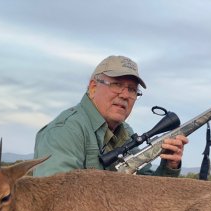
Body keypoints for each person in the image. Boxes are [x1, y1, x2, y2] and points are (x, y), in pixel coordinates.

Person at [33, 55, 188, 177]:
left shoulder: (124, 132)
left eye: (132, 89)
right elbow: (54, 203)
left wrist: (169, 166)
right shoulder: (65, 131)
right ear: (93, 88)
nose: (125, 95)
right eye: (117, 85)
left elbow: (150, 194)